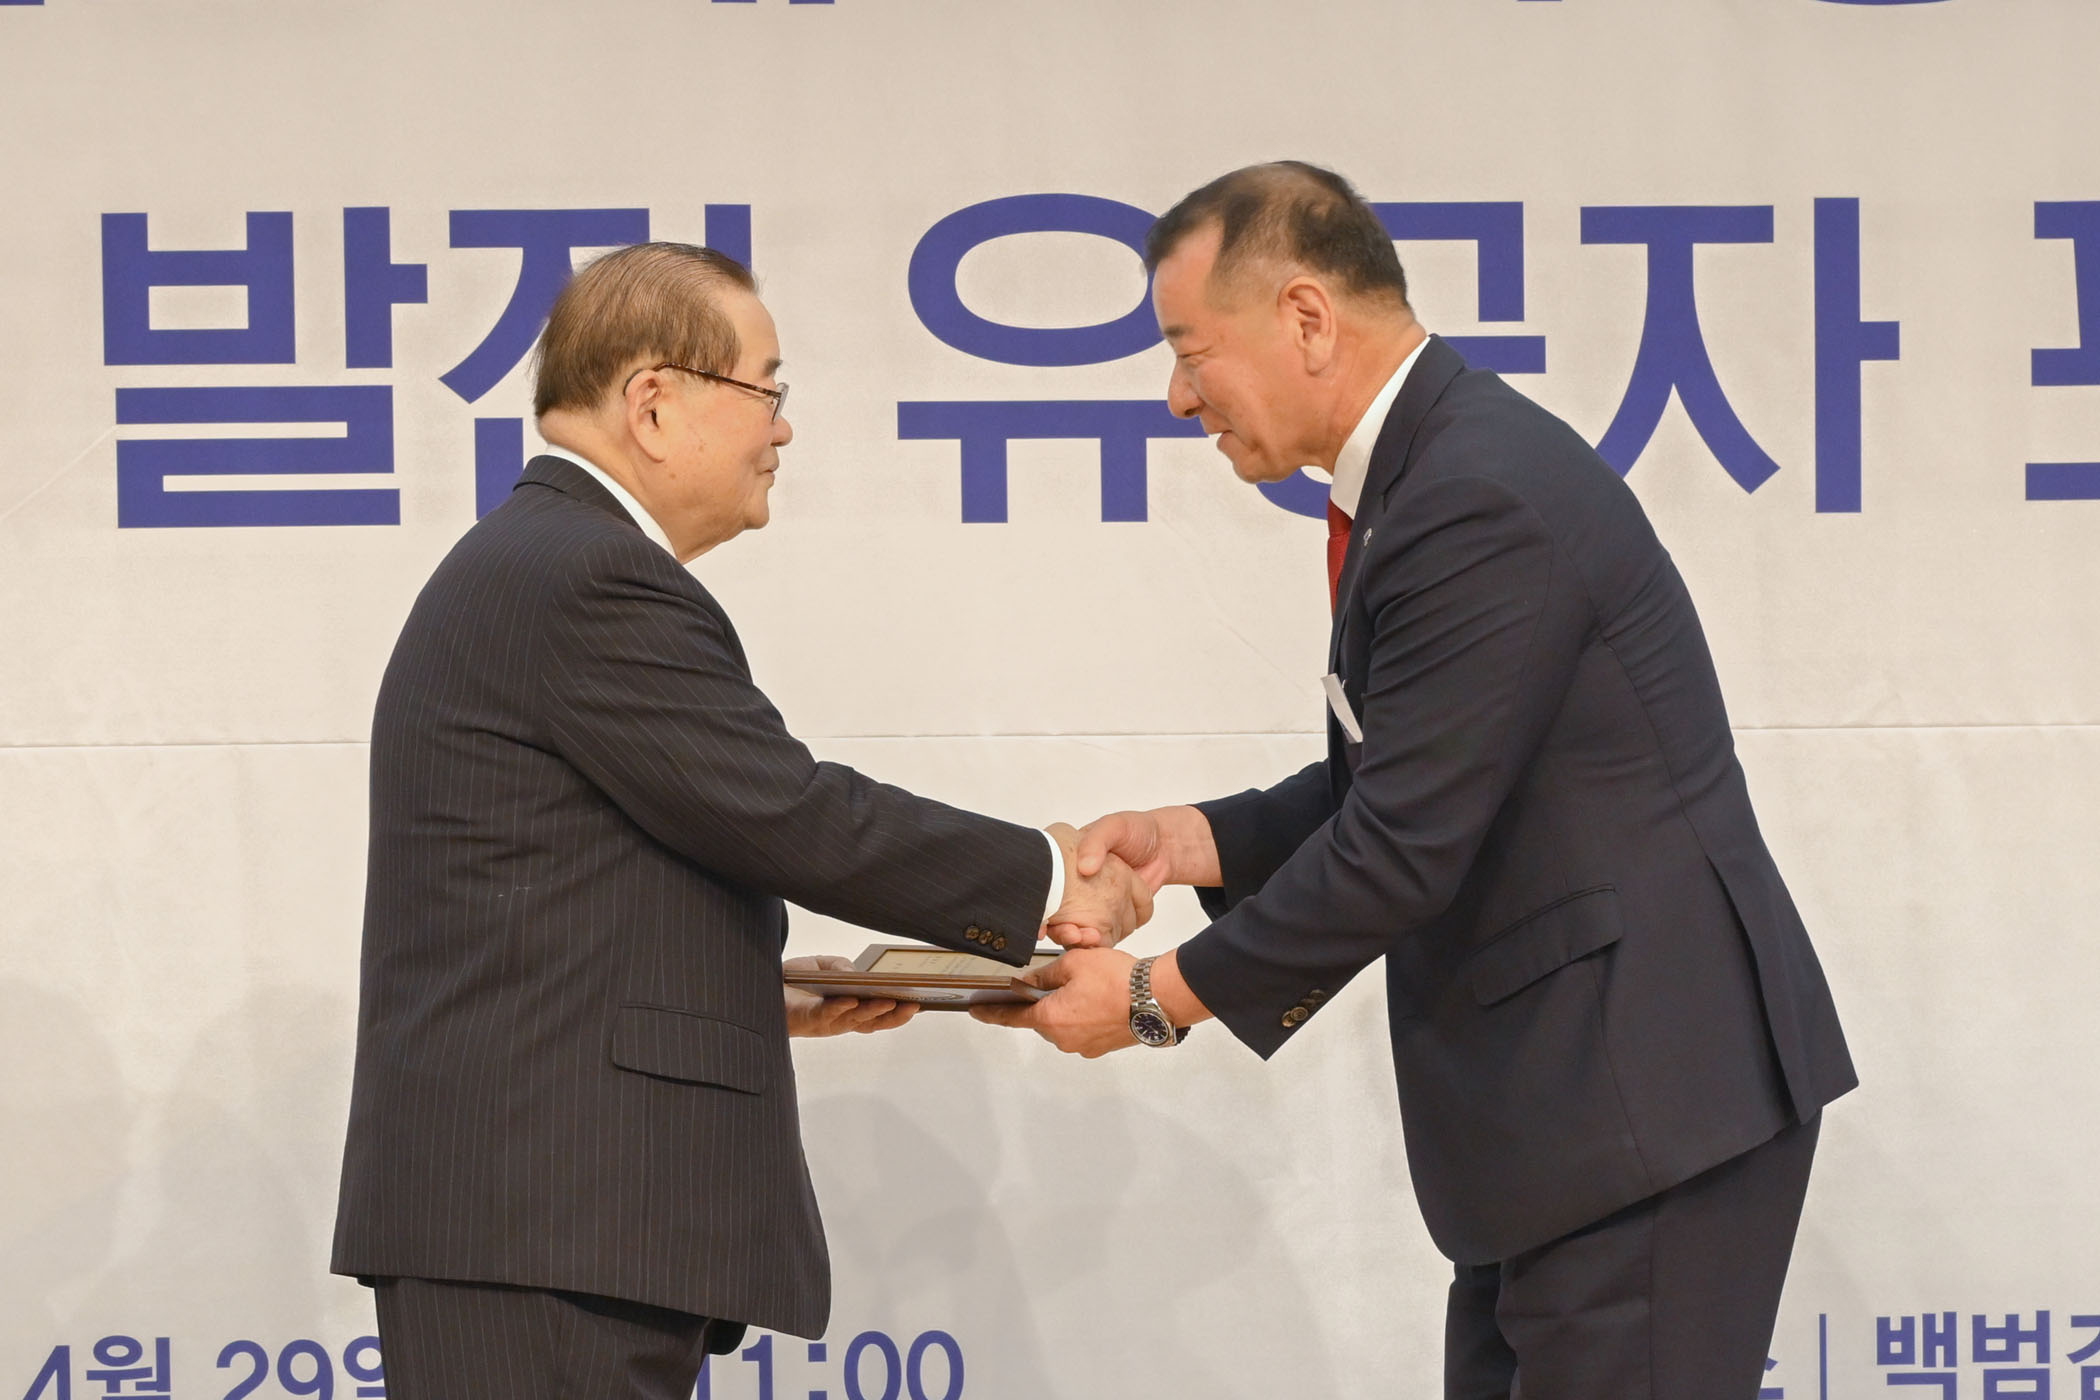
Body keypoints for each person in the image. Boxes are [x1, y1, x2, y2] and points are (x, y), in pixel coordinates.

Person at [974, 163, 1857, 1400]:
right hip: (1566, 1125)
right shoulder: (1427, 475)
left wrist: (1153, 997)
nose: (1176, 397)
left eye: (1189, 351)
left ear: (1306, 317)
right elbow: (1412, 773)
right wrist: (1188, 843)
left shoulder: (1473, 493)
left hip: (1637, 1111)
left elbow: (1402, 842)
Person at [331, 242, 1150, 1400]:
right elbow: (786, 811)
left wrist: (748, 994)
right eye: (766, 389)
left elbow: (559, 892)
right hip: (545, 1223)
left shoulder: (544, 558)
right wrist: (1054, 877)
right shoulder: (586, 574)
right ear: (653, 404)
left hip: (545, 1224)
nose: (784, 427)